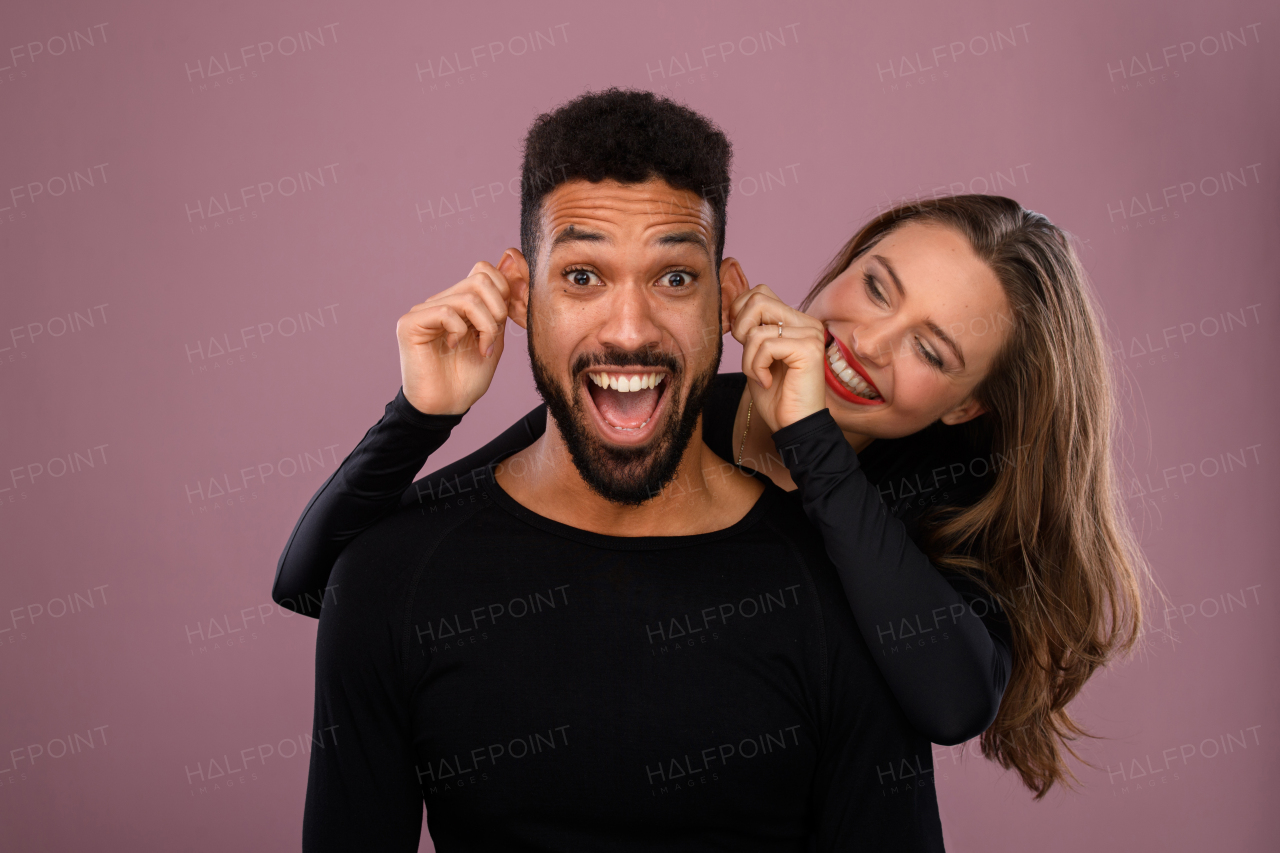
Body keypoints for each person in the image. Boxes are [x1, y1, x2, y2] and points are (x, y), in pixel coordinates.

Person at [280, 110, 1146, 803]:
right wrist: (419, 415)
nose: (867, 341)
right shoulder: (683, 406)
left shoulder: (948, 498)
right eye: (875, 287)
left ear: (968, 403)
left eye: (931, 349)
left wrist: (814, 441)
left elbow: (952, 701)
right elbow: (326, 581)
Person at [300, 89, 946, 851]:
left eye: (675, 278)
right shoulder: (390, 574)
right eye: (582, 277)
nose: (630, 330)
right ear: (519, 294)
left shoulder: (843, 596)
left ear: (726, 298)